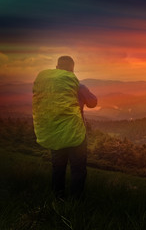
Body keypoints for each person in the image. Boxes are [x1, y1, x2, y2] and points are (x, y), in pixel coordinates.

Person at [32, 56, 97, 199]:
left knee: (58, 168)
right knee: (78, 169)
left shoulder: (47, 88)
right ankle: (75, 202)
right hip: (76, 134)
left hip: (55, 133)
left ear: (56, 68)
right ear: (72, 69)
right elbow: (93, 102)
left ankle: (58, 199)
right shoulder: (77, 86)